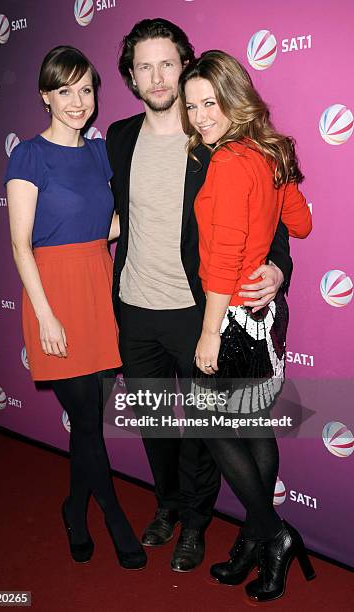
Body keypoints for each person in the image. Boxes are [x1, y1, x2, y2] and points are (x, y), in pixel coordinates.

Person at [106, 18, 292, 572]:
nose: (157, 76)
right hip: (136, 309)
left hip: (198, 310)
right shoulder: (117, 137)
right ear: (132, 77)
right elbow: (108, 210)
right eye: (145, 66)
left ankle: (195, 523)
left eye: (167, 63)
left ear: (185, 66)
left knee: (207, 436)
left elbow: (273, 218)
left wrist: (278, 270)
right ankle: (166, 507)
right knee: (156, 424)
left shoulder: (215, 140)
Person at [178, 50, 314, 600]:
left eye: (210, 102)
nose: (200, 116)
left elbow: (222, 259)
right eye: (192, 106)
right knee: (253, 426)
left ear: (237, 98)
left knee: (215, 428)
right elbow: (301, 224)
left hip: (231, 319)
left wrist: (209, 333)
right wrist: (279, 187)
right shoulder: (268, 152)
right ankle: (264, 541)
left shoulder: (231, 161)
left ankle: (271, 533)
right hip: (261, 320)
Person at [4, 46, 146, 569]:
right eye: (64, 90)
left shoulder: (98, 152)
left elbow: (104, 225)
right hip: (53, 295)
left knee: (89, 423)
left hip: (98, 285)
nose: (77, 101)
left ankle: (73, 507)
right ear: (45, 96)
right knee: (87, 417)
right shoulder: (28, 155)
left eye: (85, 90)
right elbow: (21, 244)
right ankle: (114, 519)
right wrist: (45, 315)